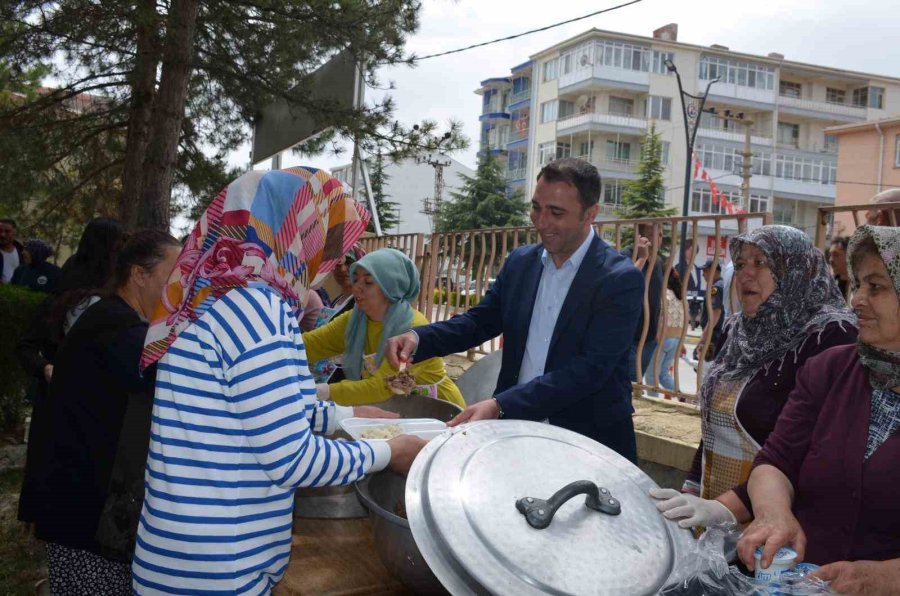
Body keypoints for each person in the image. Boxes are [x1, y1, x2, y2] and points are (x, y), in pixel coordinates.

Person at [132, 167, 425, 594]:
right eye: (324, 238)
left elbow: (255, 404)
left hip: (183, 551)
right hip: (219, 566)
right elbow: (292, 458)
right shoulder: (258, 309)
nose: (326, 258)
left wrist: (342, 415)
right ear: (295, 234)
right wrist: (388, 451)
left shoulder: (213, 294)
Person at [385, 158, 644, 462]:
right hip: (515, 434)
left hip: (587, 442)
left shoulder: (618, 279)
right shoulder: (522, 262)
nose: (541, 221)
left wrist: (500, 405)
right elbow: (480, 322)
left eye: (556, 212)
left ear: (590, 214)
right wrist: (419, 338)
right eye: (536, 207)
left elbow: (590, 371)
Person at [651, 225, 857, 529]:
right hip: (713, 514)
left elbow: (807, 453)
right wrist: (691, 494)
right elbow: (712, 430)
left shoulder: (831, 337)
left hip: (781, 529)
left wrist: (723, 508)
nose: (745, 274)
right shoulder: (738, 329)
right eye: (742, 263)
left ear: (795, 270)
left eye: (760, 263)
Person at [736, 225, 900, 594]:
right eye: (857, 284)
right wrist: (774, 514)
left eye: (876, 287)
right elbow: (776, 462)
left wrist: (884, 579)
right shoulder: (832, 369)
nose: (856, 300)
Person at [30, 230, 181, 593]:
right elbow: (173, 380)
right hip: (82, 510)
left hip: (84, 504)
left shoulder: (117, 320)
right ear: (139, 274)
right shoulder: (116, 327)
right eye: (174, 274)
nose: (181, 285)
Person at [16, 217, 126, 525]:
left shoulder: (118, 291)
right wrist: (46, 367)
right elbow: (27, 345)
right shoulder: (67, 289)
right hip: (59, 399)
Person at [304, 248, 465, 408]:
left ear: (392, 287)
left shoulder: (412, 328)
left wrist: (322, 392)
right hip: (397, 409)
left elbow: (383, 387)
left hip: (438, 411)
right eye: (356, 279)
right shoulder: (355, 320)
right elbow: (312, 344)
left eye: (368, 282)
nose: (356, 288)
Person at [624, 223, 664, 382]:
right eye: (655, 234)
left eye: (661, 234)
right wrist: (642, 258)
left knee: (637, 386)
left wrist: (658, 330)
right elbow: (623, 283)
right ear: (641, 237)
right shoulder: (627, 255)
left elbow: (658, 297)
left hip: (649, 339)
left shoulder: (659, 262)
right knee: (631, 383)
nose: (660, 238)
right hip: (630, 338)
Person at [646, 271, 684, 397]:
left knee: (652, 375)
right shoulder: (680, 297)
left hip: (663, 338)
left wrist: (656, 336)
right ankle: (682, 396)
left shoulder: (664, 295)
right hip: (676, 338)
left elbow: (660, 316)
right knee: (663, 374)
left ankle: (653, 402)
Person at [314, 244, 366, 328]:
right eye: (337, 264)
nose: (342, 269)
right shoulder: (337, 301)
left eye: (349, 262)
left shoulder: (360, 302)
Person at [695, 258, 723, 362]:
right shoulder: (720, 285)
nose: (703, 275)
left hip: (713, 337)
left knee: (706, 369)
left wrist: (704, 336)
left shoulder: (715, 288)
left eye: (705, 271)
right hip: (716, 334)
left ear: (713, 271)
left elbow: (716, 313)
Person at [0, 218, 23, 283]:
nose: (2, 234)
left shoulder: (22, 252)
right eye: (0, 231)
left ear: (14, 232)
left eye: (7, 231)